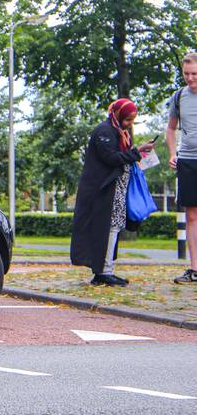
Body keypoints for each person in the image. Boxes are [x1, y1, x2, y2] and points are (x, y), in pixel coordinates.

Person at [70, 98, 155, 286]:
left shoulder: (120, 132)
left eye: (132, 121)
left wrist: (138, 151)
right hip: (104, 189)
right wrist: (137, 151)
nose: (129, 124)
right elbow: (111, 157)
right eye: (127, 120)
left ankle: (105, 269)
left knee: (113, 227)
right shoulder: (104, 131)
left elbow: (121, 156)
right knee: (108, 228)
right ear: (118, 115)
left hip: (116, 188)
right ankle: (103, 271)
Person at [167, 51, 197, 284]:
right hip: (187, 160)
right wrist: (172, 153)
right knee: (191, 215)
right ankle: (194, 269)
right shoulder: (178, 97)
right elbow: (171, 129)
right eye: (186, 74)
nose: (190, 78)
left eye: (194, 74)